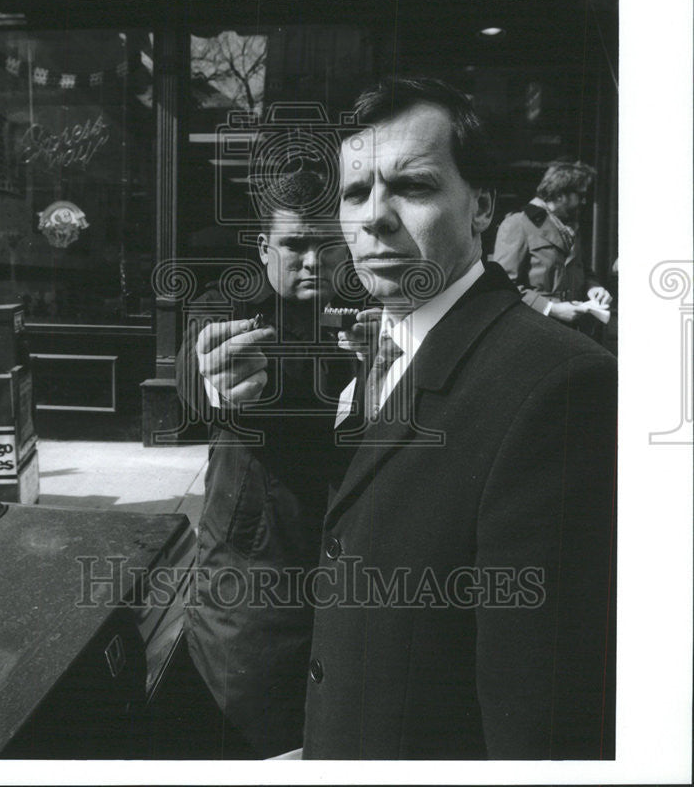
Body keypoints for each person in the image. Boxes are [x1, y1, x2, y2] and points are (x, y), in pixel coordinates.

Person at [302, 77, 617, 760]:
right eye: (355, 193)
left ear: (482, 208)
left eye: (411, 187)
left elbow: (541, 716)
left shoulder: (559, 385)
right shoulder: (390, 343)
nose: (373, 217)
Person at [174, 166, 356, 758]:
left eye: (328, 244)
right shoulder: (232, 306)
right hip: (253, 572)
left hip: (347, 561)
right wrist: (214, 383)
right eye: (295, 244)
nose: (312, 260)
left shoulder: (371, 307)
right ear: (264, 249)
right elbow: (195, 365)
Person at [492, 160, 612, 326]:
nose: (584, 202)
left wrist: (592, 288)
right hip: (534, 327)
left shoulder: (567, 226)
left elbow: (581, 270)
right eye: (581, 195)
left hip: (571, 330)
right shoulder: (518, 223)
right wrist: (551, 308)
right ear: (559, 195)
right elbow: (501, 286)